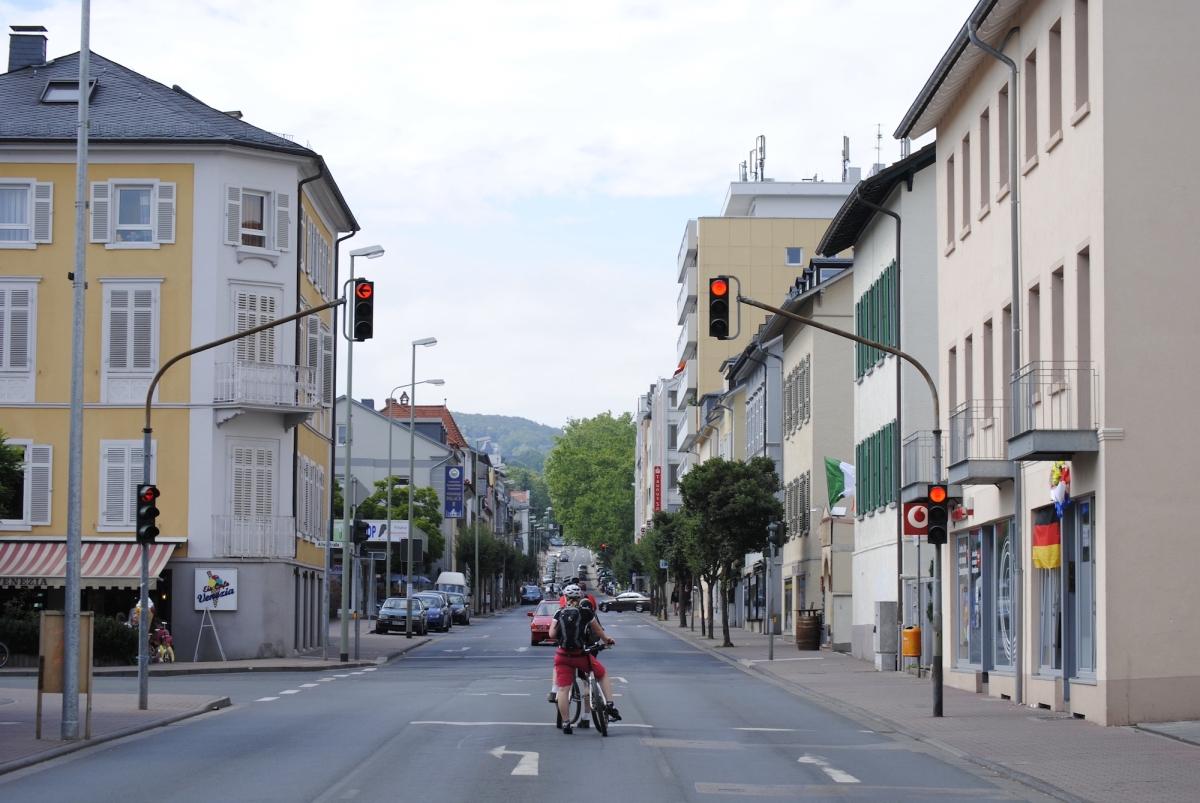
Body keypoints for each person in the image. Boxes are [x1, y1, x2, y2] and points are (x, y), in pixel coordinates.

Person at [548, 584, 620, 735]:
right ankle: (610, 703)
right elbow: (598, 629)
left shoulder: (559, 612)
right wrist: (606, 640)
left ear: (565, 597)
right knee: (601, 674)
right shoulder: (586, 611)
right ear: (580, 596)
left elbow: (551, 635)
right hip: (580, 655)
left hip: (562, 656)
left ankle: (566, 724)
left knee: (563, 689)